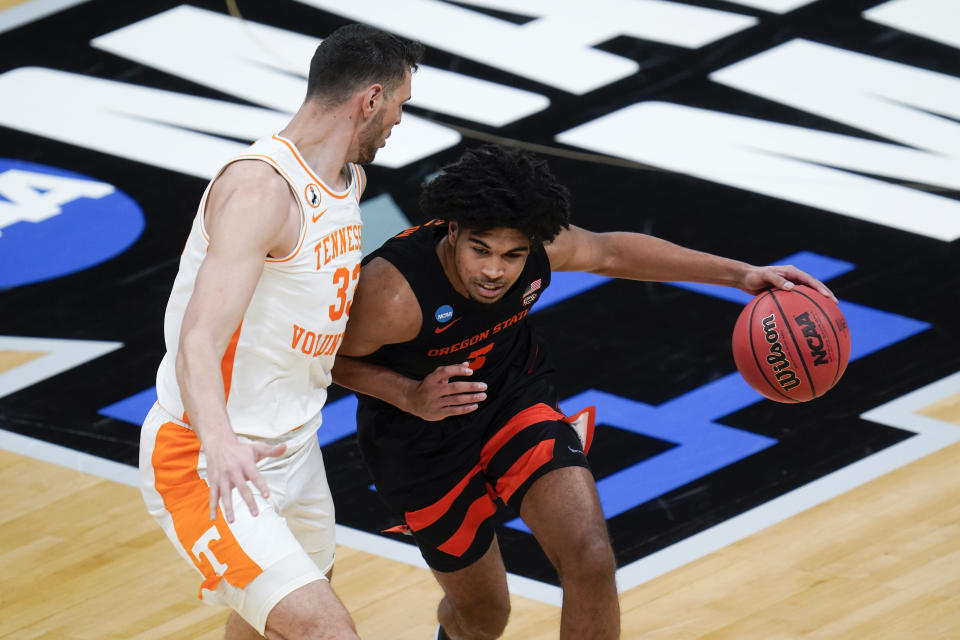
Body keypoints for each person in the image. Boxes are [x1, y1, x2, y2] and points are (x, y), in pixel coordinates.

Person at [331, 144, 837, 640]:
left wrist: (741, 274)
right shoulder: (393, 293)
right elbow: (322, 358)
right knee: (484, 618)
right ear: (453, 230)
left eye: (512, 256)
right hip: (421, 444)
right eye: (480, 250)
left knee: (591, 561)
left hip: (511, 399)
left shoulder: (539, 247)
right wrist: (406, 393)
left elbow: (612, 251)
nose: (494, 271)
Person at [138, 24, 423, 640]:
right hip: (208, 455)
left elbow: (330, 294)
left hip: (295, 449)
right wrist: (220, 443)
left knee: (268, 629)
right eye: (401, 103)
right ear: (370, 100)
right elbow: (197, 340)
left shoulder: (352, 182)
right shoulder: (261, 191)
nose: (401, 120)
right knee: (327, 632)